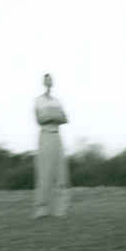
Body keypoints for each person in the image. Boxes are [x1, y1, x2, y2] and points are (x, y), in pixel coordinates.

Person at [33, 73, 71, 218]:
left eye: (50, 80)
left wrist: (51, 115)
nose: (48, 82)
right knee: (44, 173)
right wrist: (55, 115)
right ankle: (41, 209)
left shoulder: (57, 101)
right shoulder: (38, 100)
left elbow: (65, 118)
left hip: (57, 136)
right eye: (46, 80)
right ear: (43, 82)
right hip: (45, 136)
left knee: (61, 173)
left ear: (52, 83)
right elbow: (40, 119)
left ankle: (61, 210)